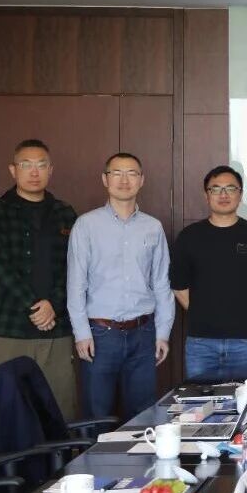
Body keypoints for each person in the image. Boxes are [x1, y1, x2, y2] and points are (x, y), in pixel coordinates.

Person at [0, 139, 80, 419]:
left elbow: (75, 268)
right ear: (13, 170)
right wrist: (35, 306)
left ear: (50, 170)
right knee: (6, 411)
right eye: (26, 165)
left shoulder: (65, 213)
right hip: (10, 327)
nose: (34, 172)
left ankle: (58, 455)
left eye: (41, 165)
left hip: (56, 328)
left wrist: (53, 305)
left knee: (60, 410)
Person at [66, 152, 173, 419]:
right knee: (97, 415)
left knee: (143, 416)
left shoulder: (153, 227)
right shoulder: (86, 225)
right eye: (117, 173)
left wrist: (162, 333)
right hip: (100, 335)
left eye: (132, 173)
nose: (124, 180)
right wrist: (81, 333)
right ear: (105, 179)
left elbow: (161, 283)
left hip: (143, 333)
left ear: (141, 180)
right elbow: (76, 283)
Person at [170, 166, 247, 382]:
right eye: (216, 189)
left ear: (240, 194)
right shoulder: (190, 236)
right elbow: (179, 284)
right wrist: (204, 313)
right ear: (206, 195)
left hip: (244, 341)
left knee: (243, 398)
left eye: (230, 188)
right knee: (199, 399)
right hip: (200, 342)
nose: (223, 195)